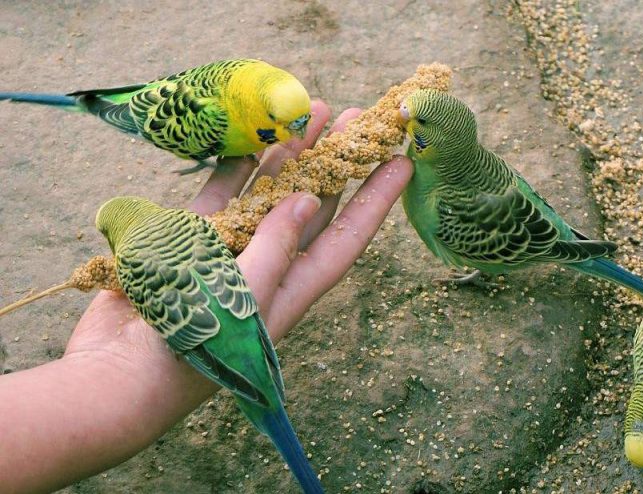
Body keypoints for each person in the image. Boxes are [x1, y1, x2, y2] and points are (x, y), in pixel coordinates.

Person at [0, 102, 413, 493]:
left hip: (214, 343)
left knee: (260, 398)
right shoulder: (186, 223)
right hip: (239, 313)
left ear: (113, 237)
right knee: (266, 400)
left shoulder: (130, 266)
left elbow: (181, 331)